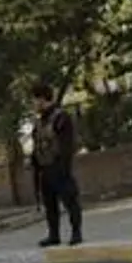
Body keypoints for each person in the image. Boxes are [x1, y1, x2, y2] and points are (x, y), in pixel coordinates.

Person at [30, 82, 83, 247]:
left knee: (70, 201)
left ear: (42, 99)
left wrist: (63, 167)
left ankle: (76, 233)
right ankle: (54, 235)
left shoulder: (61, 117)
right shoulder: (39, 122)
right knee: (50, 204)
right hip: (45, 169)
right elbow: (37, 145)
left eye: (34, 100)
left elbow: (68, 145)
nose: (33, 104)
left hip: (59, 166)